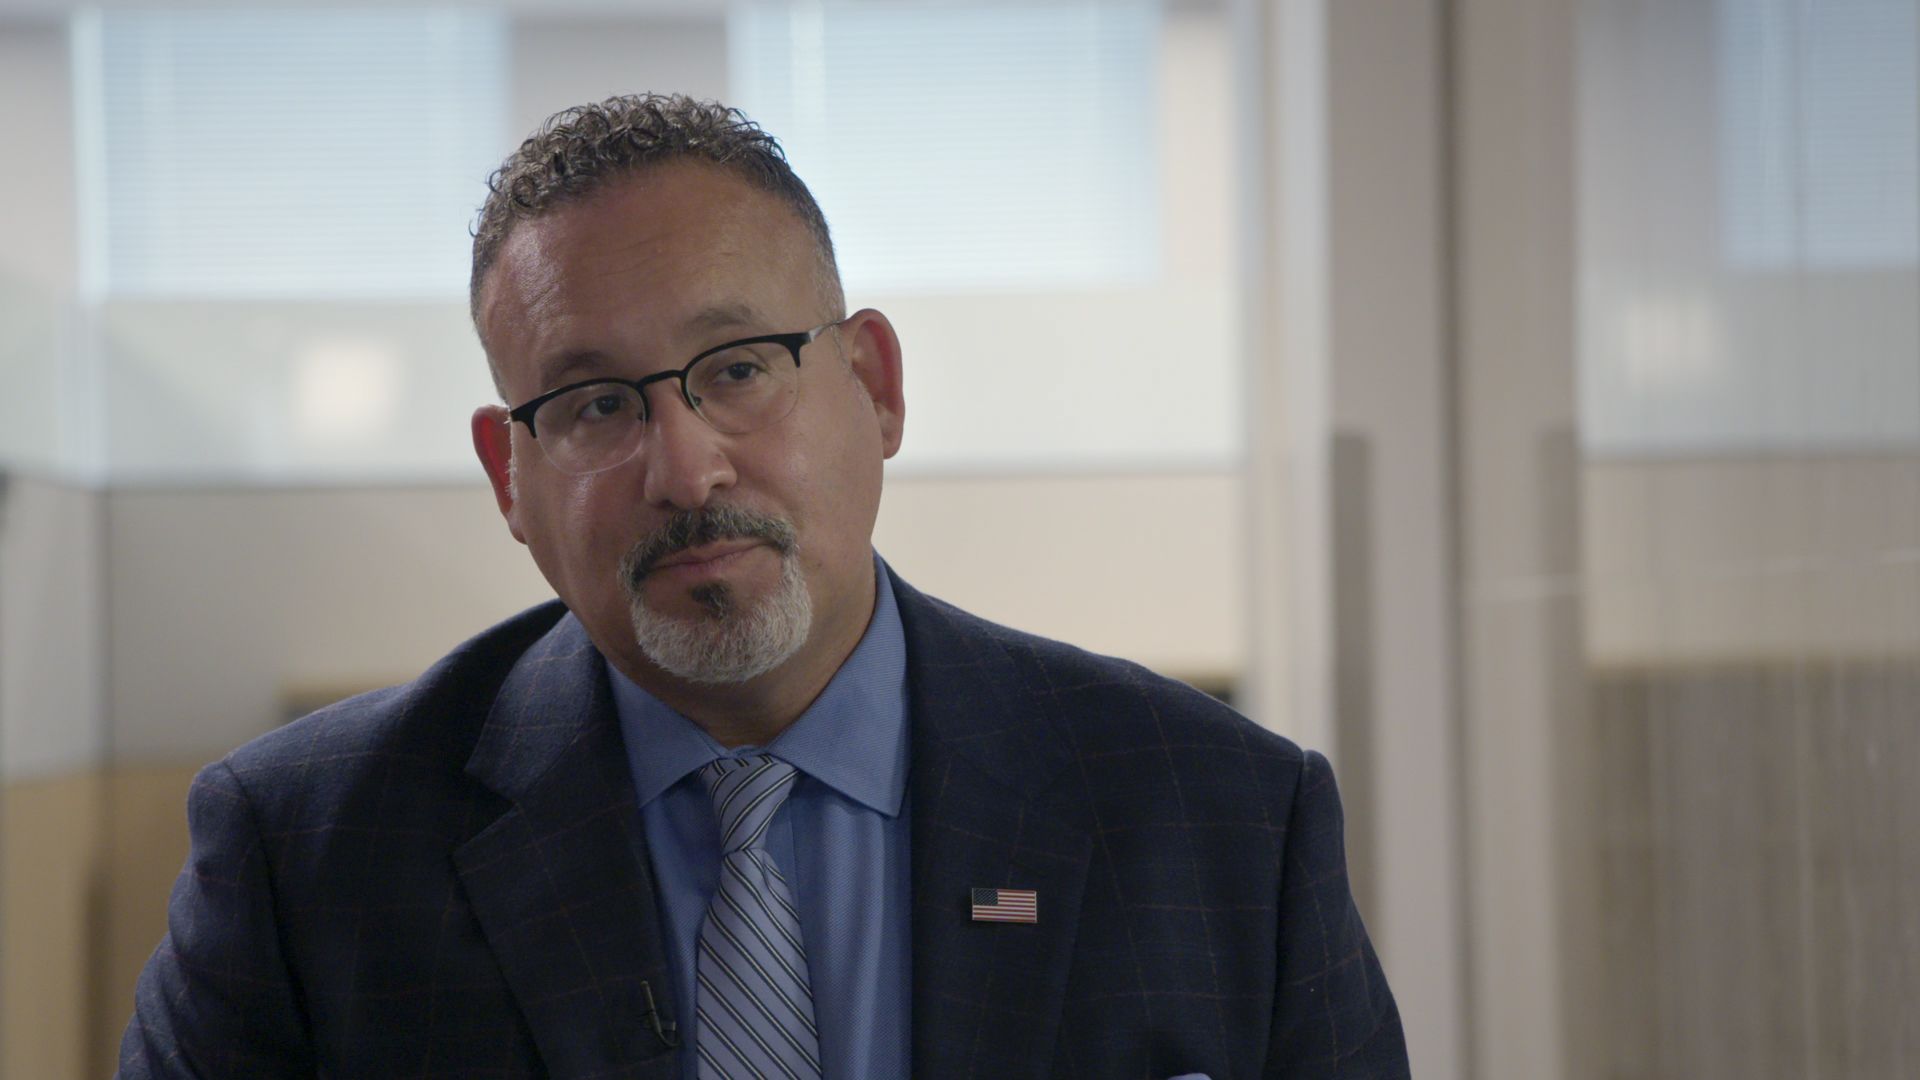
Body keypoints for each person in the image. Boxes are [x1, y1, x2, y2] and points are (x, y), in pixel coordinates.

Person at [118, 94, 1408, 1079]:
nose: (684, 468)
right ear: (508, 479)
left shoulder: (1227, 821)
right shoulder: (307, 859)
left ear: (877, 387)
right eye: (594, 403)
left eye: (738, 367)